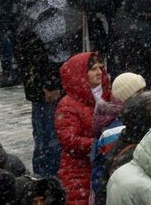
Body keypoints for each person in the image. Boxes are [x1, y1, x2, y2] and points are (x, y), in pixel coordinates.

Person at [14, 0, 72, 178]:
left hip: (47, 86)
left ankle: (50, 179)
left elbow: (56, 51)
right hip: (37, 81)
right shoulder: (35, 0)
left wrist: (50, 84)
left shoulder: (50, 5)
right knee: (42, 132)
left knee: (49, 135)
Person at [54, 52, 112, 205]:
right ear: (80, 74)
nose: (99, 72)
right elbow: (68, 140)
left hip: (103, 166)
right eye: (93, 69)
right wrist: (98, 145)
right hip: (78, 171)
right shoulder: (67, 105)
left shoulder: (106, 97)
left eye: (100, 68)